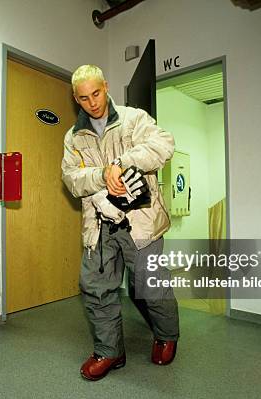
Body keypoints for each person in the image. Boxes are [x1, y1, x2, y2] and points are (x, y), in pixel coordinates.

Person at [61, 65, 180, 381]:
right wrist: (101, 176)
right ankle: (109, 351)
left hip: (139, 222)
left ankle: (167, 335)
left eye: (97, 93)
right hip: (99, 226)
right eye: (84, 98)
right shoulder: (73, 137)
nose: (93, 103)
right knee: (96, 289)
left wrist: (120, 164)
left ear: (106, 86)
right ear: (76, 98)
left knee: (151, 287)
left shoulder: (133, 119)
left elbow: (163, 145)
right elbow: (71, 180)